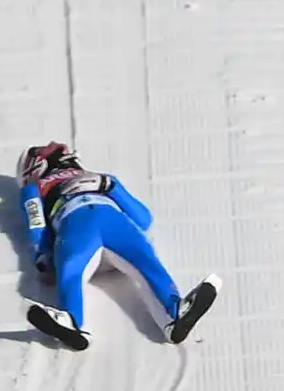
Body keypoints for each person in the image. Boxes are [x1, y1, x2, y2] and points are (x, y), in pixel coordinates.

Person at [15, 141, 217, 350]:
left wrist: (111, 185)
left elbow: (144, 219)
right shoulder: (35, 188)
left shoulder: (91, 179)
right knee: (142, 262)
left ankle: (73, 321)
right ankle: (172, 313)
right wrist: (110, 186)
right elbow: (36, 222)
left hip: (84, 225)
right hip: (90, 222)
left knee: (78, 268)